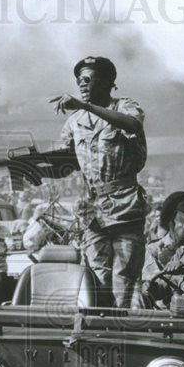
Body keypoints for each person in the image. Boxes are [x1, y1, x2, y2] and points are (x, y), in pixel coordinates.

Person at [53, 55, 148, 307]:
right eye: (78, 80)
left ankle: (121, 333)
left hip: (124, 205)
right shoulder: (74, 122)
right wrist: (29, 165)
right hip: (92, 210)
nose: (81, 84)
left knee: (125, 277)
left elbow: (133, 125)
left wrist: (85, 106)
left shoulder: (124, 107)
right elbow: (64, 163)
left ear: (107, 82)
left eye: (87, 79)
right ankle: (100, 333)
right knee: (96, 277)